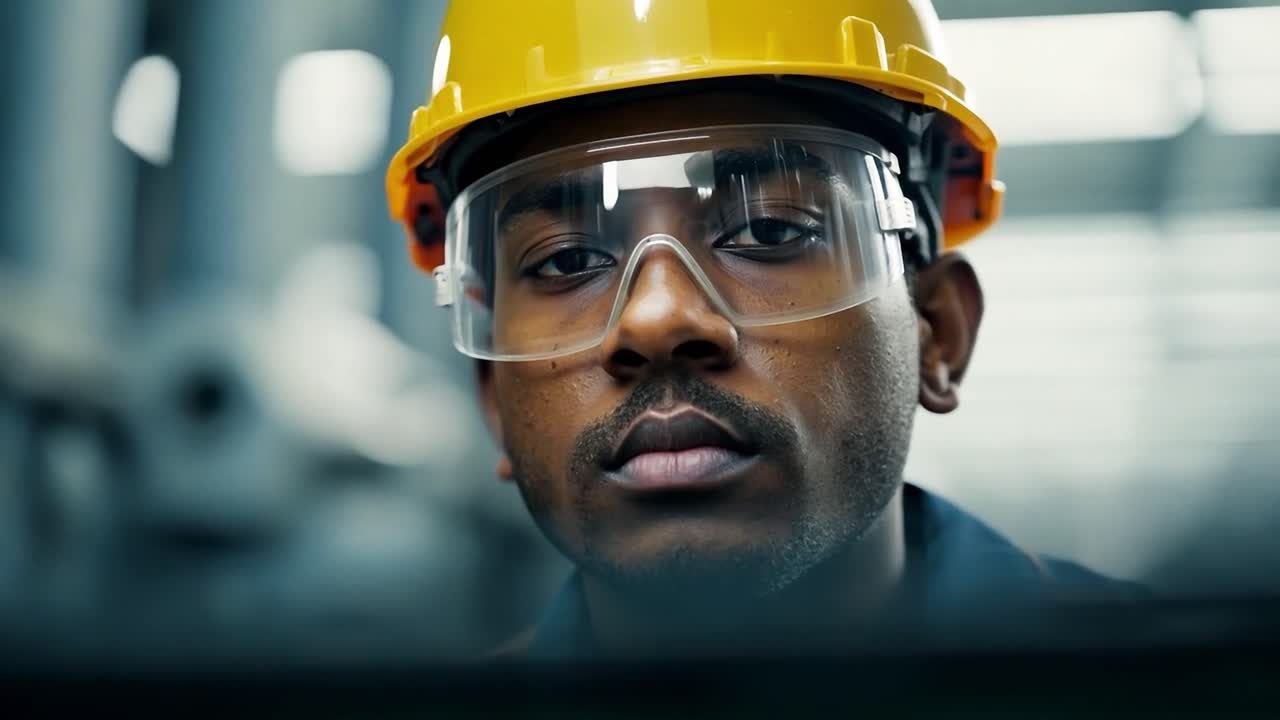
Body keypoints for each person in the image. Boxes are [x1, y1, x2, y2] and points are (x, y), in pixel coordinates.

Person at [384, 0, 1139, 659]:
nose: (658, 319)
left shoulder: (1181, 686)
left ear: (935, 333)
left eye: (771, 231)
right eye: (569, 259)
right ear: (493, 396)